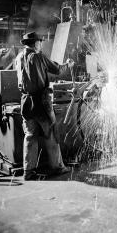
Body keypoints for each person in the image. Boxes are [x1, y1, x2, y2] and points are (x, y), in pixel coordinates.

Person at [15, 31, 74, 180]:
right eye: (40, 42)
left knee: (30, 136)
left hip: (26, 103)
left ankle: (28, 171)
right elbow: (57, 69)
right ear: (35, 43)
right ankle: (58, 167)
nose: (41, 44)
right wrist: (69, 64)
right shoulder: (38, 57)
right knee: (51, 135)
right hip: (40, 103)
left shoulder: (18, 58)